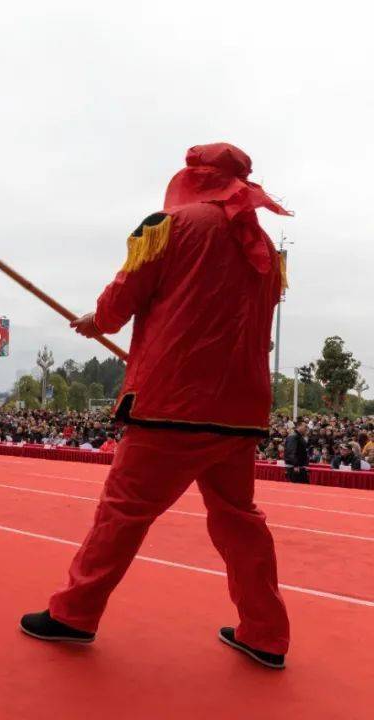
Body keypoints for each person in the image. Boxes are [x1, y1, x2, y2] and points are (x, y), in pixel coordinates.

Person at [20, 143, 291, 670]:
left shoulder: (170, 225)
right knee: (239, 520)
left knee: (123, 512)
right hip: (240, 412)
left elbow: (121, 301)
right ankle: (266, 633)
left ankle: (74, 614)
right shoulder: (262, 246)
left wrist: (94, 322)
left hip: (172, 403)